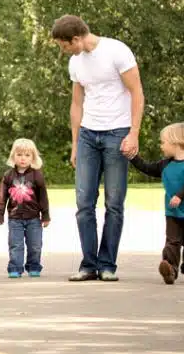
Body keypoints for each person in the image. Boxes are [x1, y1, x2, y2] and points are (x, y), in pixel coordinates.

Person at [51, 15, 145, 282]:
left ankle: (107, 265)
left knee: (114, 203)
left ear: (77, 39)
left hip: (118, 133)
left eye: (64, 45)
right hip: (88, 136)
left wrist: (133, 133)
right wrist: (75, 142)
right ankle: (88, 264)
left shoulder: (117, 51)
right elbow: (77, 104)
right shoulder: (75, 62)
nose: (63, 50)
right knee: (84, 203)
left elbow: (137, 92)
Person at [126, 123, 184, 285]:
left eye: (163, 142)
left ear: (176, 142)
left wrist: (179, 196)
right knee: (172, 242)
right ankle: (170, 269)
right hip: (173, 213)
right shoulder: (165, 164)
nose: (161, 146)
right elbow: (147, 168)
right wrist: (133, 157)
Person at [0, 138, 51, 278]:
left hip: (33, 218)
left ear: (33, 157)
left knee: (35, 245)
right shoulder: (8, 175)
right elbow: (2, 195)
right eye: (19, 155)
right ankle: (15, 267)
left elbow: (43, 197)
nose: (23, 159)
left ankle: (34, 266)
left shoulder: (37, 175)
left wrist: (45, 216)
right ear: (13, 156)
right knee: (15, 245)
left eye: (27, 155)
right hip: (15, 218)